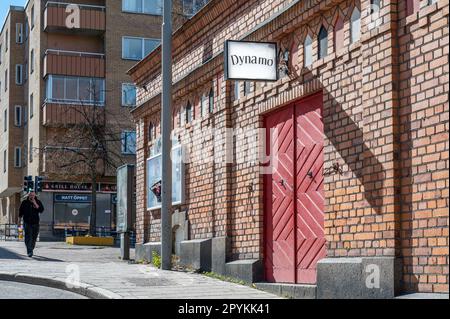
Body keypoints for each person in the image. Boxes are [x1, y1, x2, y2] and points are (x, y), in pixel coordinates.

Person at [19, 191, 44, 257]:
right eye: (30, 195)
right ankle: (29, 251)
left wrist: (35, 203)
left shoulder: (38, 202)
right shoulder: (24, 202)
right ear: (28, 195)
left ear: (35, 195)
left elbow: (41, 210)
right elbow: (20, 212)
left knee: (34, 238)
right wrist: (19, 221)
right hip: (27, 223)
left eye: (33, 195)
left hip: (35, 223)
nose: (32, 196)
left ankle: (31, 248)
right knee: (28, 237)